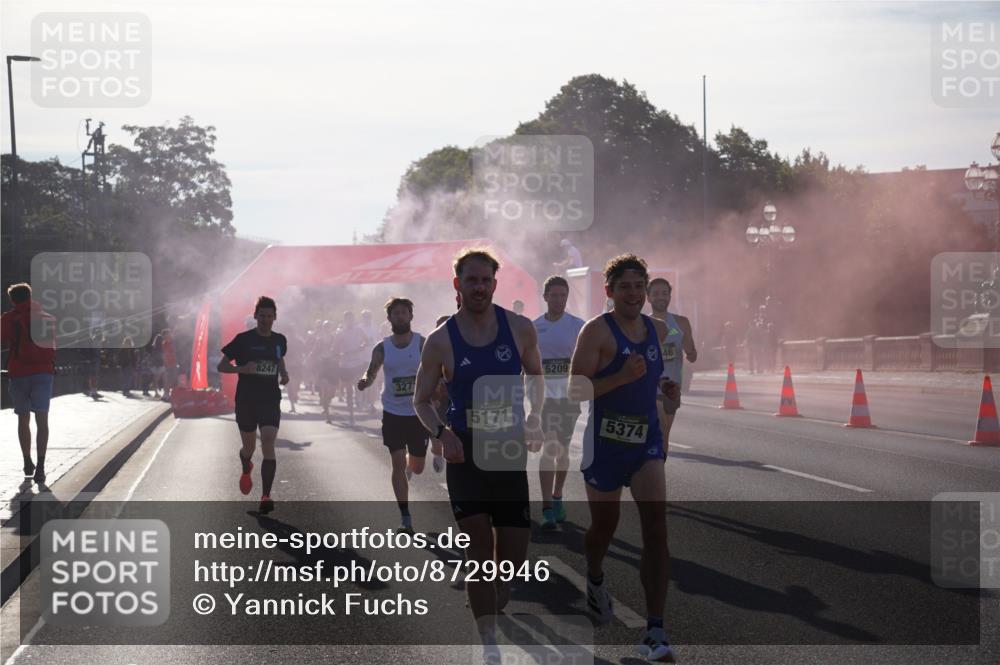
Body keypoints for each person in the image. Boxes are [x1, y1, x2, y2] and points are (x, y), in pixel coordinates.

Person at [413, 248, 544, 665]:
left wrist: (536, 415)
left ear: (494, 283)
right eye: (471, 280)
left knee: (513, 554)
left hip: (506, 451)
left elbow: (537, 376)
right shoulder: (440, 340)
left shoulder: (520, 328)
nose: (479, 287)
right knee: (478, 552)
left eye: (485, 280)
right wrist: (441, 432)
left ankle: (500, 589)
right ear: (458, 285)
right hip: (465, 453)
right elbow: (420, 400)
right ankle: (488, 647)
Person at [568, 253, 677, 662]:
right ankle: (595, 577)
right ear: (609, 291)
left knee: (656, 529)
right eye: (624, 287)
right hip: (605, 445)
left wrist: (666, 391)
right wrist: (620, 377)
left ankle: (655, 630)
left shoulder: (660, 330)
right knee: (604, 528)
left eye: (639, 286)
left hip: (645, 442)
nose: (633, 294)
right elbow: (576, 391)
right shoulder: (596, 332)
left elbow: (653, 379)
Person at [357, 297, 428, 533]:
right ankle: (405, 516)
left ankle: (412, 464)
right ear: (389, 319)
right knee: (397, 462)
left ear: (410, 316)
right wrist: (365, 381)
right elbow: (371, 371)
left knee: (416, 467)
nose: (400, 316)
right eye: (395, 313)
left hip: (418, 412)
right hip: (393, 412)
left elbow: (436, 368)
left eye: (404, 313)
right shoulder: (382, 347)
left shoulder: (421, 343)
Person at [217, 296, 290, 514]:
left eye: (270, 316)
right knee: (248, 447)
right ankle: (246, 465)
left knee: (268, 443)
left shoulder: (280, 340)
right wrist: (243, 369)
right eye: (262, 316)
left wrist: (284, 373)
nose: (266, 320)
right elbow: (222, 366)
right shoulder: (243, 340)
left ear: (275, 318)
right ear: (255, 316)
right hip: (247, 400)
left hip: (270, 399)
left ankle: (266, 495)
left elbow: (279, 359)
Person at [533, 275, 585, 530]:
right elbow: (526, 366)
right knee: (549, 448)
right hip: (544, 400)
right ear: (545, 297)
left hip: (568, 399)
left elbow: (589, 359)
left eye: (562, 295)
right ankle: (546, 507)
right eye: (553, 295)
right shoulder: (534, 327)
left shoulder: (578, 326)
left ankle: (557, 496)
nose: (558, 299)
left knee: (562, 451)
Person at [1, 283, 56, 483]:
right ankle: (41, 467)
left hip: (19, 372)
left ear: (13, 300)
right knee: (43, 420)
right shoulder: (47, 318)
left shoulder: (9, 318)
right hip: (43, 372)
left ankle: (27, 461)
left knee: (23, 419)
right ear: (30, 296)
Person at [647, 278, 696, 457]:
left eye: (664, 293)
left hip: (673, 388)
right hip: (652, 387)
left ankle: (658, 466)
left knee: (665, 435)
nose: (661, 297)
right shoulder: (643, 324)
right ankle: (654, 471)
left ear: (670, 296)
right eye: (656, 294)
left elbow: (692, 353)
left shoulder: (681, 323)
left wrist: (691, 352)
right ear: (648, 298)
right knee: (661, 428)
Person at [334, 311, 370, 426]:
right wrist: (340, 353)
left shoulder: (358, 330)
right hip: (345, 364)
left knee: (357, 386)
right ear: (345, 320)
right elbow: (334, 347)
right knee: (349, 392)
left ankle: (359, 399)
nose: (350, 321)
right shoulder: (340, 332)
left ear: (353, 320)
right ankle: (351, 416)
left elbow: (367, 341)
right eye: (348, 319)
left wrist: (360, 348)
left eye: (352, 319)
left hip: (357, 363)